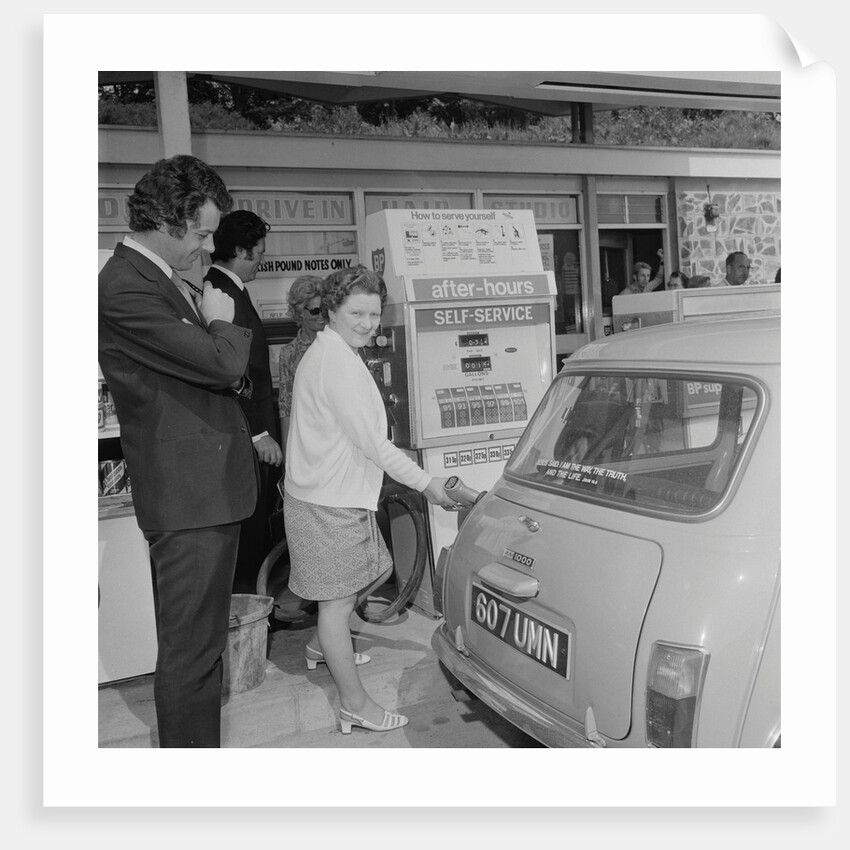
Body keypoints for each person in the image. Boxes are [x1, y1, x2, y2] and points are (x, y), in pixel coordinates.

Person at [98, 154, 258, 748]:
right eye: (203, 232)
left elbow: (220, 375)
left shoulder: (156, 281)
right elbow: (221, 364)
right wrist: (221, 320)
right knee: (192, 657)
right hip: (190, 498)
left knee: (201, 650)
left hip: (203, 491)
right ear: (164, 221)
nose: (210, 246)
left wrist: (219, 350)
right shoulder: (124, 286)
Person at [282, 265, 456, 734]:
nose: (367, 323)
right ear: (332, 311)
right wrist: (428, 485)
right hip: (327, 501)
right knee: (337, 607)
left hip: (334, 495)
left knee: (378, 570)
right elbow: (374, 444)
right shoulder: (335, 361)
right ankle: (355, 704)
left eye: (374, 314)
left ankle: (323, 645)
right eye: (356, 312)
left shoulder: (336, 352)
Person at [205, 210, 283, 593]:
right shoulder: (221, 293)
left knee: (259, 525)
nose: (262, 260)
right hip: (250, 431)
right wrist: (259, 433)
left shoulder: (230, 288)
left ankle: (260, 603)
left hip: (255, 425)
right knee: (251, 527)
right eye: (259, 252)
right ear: (240, 250)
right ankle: (252, 609)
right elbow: (232, 372)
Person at [277, 275, 326, 456]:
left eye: (325, 310)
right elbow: (286, 408)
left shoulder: (340, 344)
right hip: (308, 441)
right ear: (299, 312)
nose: (322, 316)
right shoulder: (289, 353)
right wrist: (288, 457)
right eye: (315, 311)